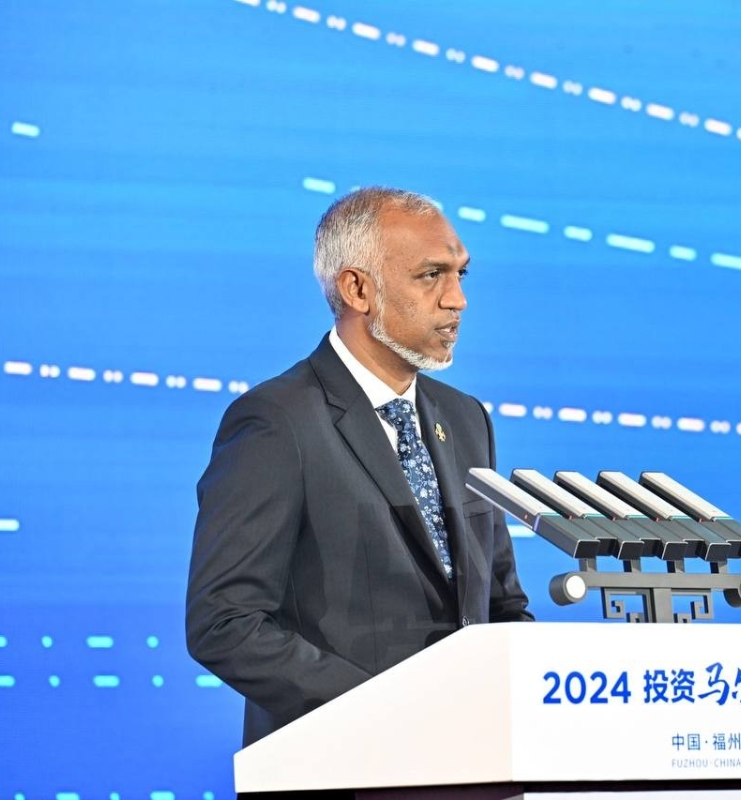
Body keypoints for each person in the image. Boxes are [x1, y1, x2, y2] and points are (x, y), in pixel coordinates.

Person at [185, 187, 533, 746]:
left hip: (471, 758)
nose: (457, 300)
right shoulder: (277, 421)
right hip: (342, 759)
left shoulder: (466, 419)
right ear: (357, 289)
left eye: (461, 275)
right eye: (431, 276)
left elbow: (501, 604)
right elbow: (225, 623)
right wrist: (385, 712)